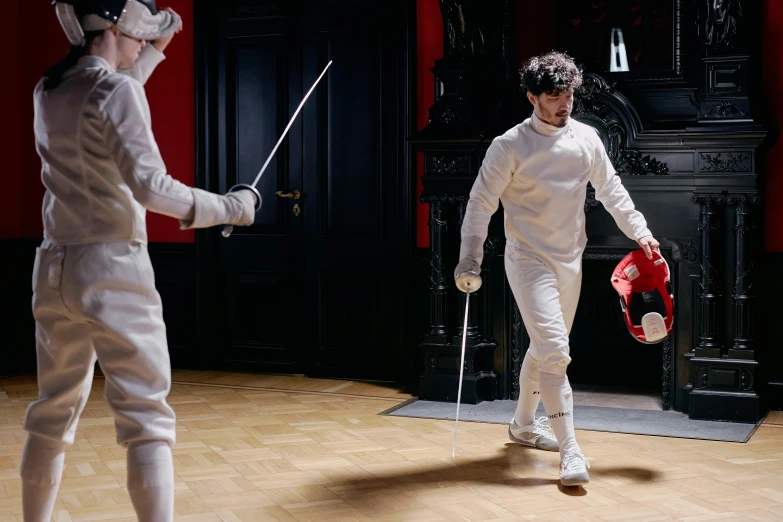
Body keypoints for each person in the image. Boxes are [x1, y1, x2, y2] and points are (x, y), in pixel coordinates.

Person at [19, 1, 260, 521]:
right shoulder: (115, 89)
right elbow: (150, 186)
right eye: (138, 37)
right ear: (118, 26)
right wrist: (232, 208)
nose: (141, 47)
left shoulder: (50, 88)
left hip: (53, 265)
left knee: (51, 413)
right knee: (146, 418)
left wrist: (153, 53)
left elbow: (108, 95)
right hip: (112, 269)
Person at [454, 51, 659, 487]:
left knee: (547, 347)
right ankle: (571, 450)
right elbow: (480, 203)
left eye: (568, 93)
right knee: (556, 352)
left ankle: (523, 425)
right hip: (528, 260)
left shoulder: (586, 138)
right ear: (532, 97)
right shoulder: (508, 145)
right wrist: (469, 258)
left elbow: (611, 189)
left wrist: (640, 232)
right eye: (554, 95)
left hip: (571, 259)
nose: (564, 103)